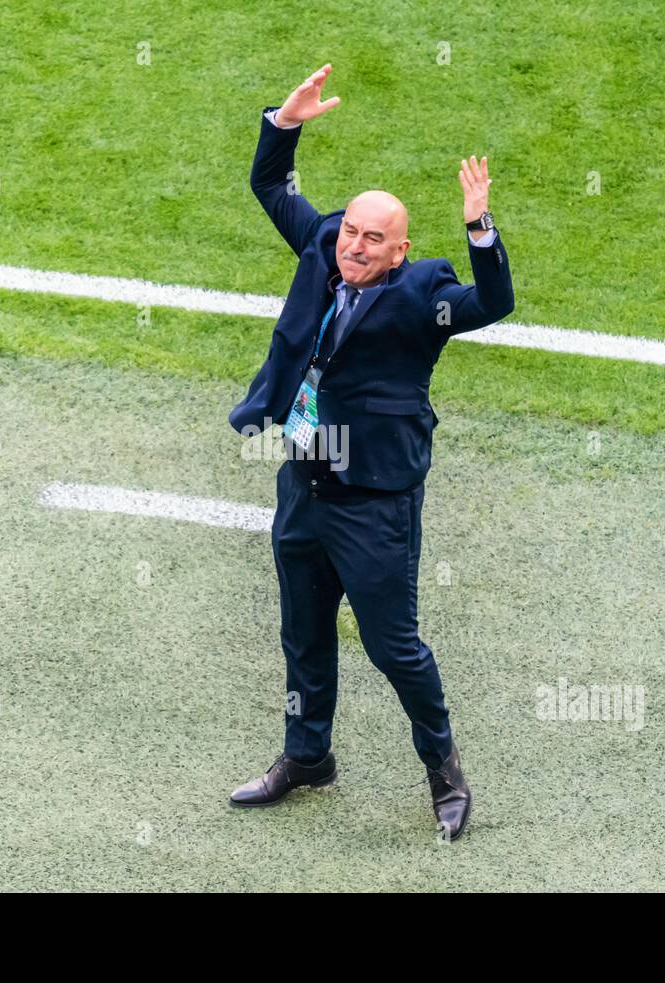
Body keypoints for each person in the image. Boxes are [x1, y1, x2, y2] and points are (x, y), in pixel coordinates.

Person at [227, 64, 514, 840]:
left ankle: (444, 771)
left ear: (400, 251)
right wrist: (283, 126)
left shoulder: (424, 294)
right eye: (352, 230)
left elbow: (492, 303)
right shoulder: (324, 244)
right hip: (304, 485)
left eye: (373, 239)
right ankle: (307, 755)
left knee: (395, 649)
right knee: (303, 634)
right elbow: (272, 189)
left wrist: (480, 228)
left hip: (375, 501)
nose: (355, 246)